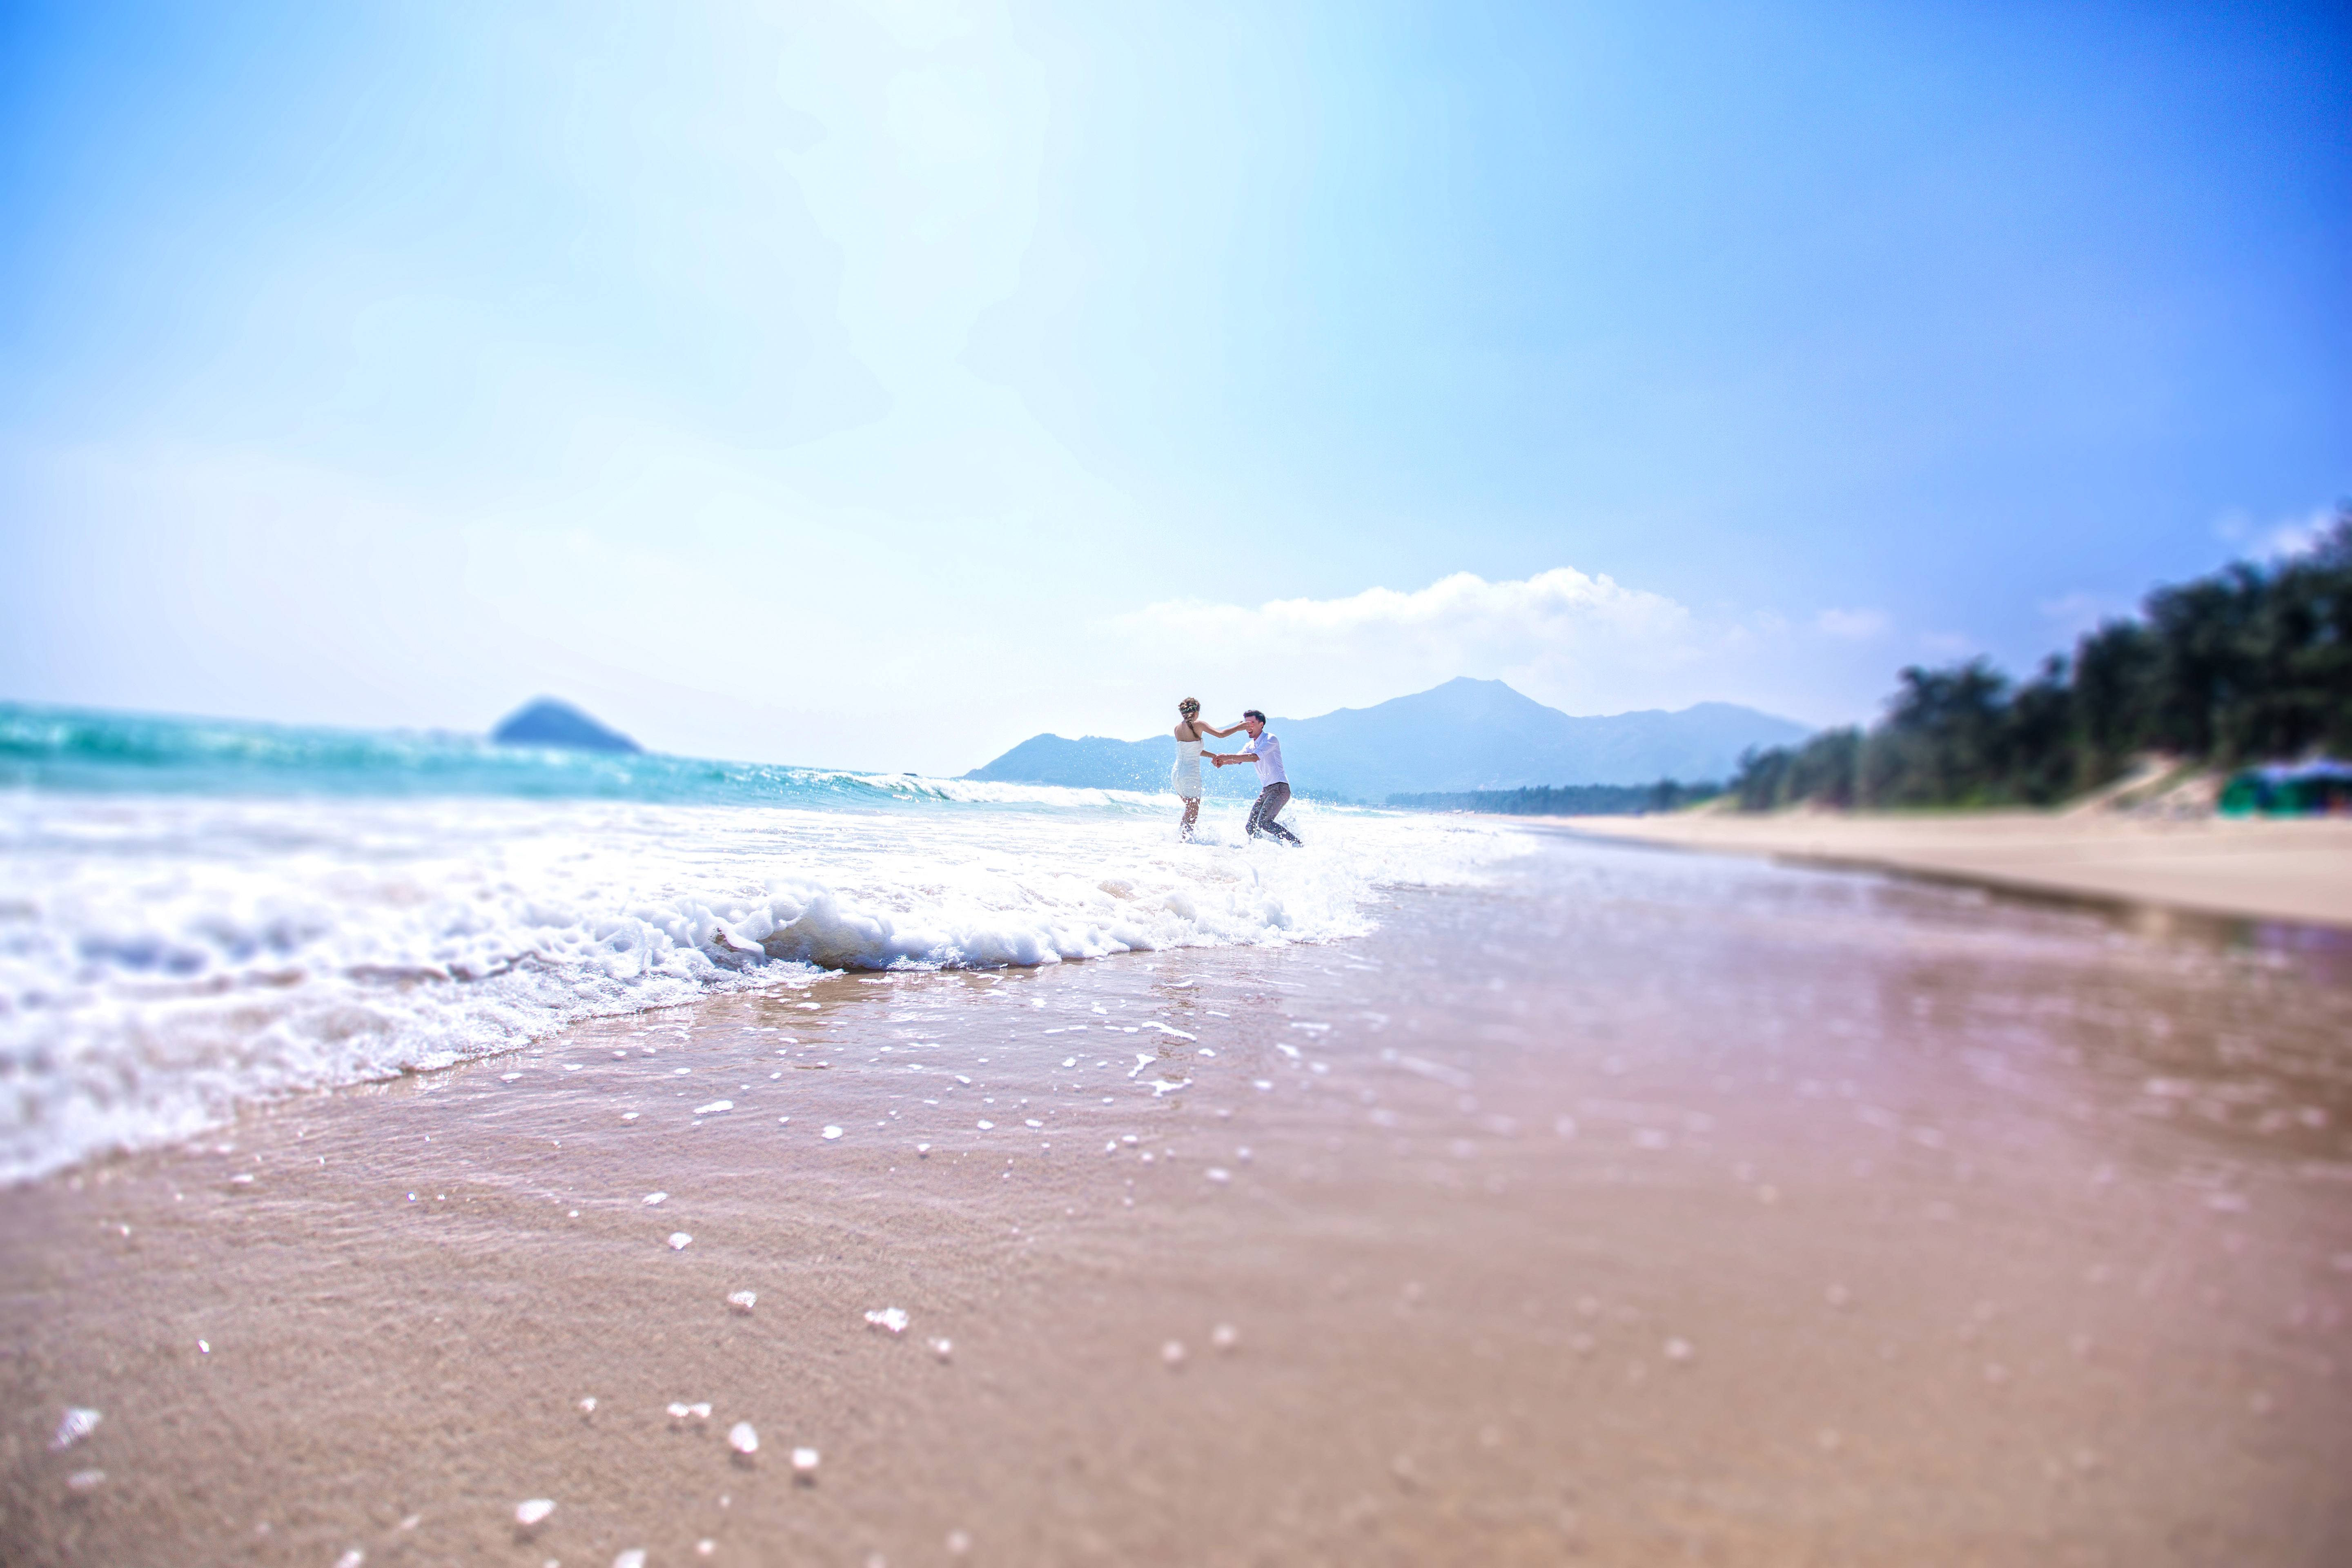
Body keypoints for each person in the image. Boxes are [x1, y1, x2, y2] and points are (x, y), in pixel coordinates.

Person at [1209, 709, 1303, 846]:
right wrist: (1222, 762)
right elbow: (1238, 759)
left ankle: (1297, 844)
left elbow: (1255, 757)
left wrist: (1228, 756)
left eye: (1251, 723)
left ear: (1261, 724)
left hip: (1280, 788)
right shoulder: (1250, 745)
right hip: (1266, 790)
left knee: (1264, 822)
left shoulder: (1270, 739)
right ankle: (1262, 849)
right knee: (1251, 826)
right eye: (1246, 724)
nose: (1248, 727)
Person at [1170, 698, 1244, 841]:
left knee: (1190, 809)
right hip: (1190, 774)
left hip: (1177, 774)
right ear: (1196, 712)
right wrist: (1237, 728)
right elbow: (1221, 734)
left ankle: (1181, 841)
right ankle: (1184, 842)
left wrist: (1214, 756)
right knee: (1193, 812)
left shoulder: (1177, 728)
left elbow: (1193, 750)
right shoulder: (1199, 724)